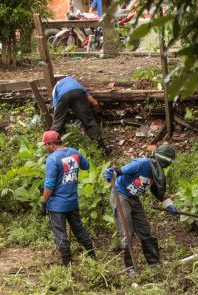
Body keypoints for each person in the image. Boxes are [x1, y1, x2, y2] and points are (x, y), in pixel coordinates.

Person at [104, 145, 178, 272]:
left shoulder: (157, 173)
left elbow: (157, 192)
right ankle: (130, 268)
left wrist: (168, 204)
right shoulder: (141, 164)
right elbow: (119, 171)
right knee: (127, 231)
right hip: (121, 195)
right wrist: (110, 174)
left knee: (144, 229)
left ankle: (154, 263)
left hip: (134, 198)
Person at [40, 130, 96, 265]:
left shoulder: (52, 159)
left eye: (45, 145)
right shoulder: (74, 152)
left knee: (59, 233)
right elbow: (86, 165)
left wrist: (43, 202)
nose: (45, 148)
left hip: (57, 204)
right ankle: (92, 256)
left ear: (51, 144)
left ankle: (67, 263)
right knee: (79, 229)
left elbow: (49, 185)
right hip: (72, 201)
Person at [51, 76, 106, 151]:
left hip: (63, 96)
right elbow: (95, 102)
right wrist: (99, 113)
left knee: (57, 125)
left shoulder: (56, 87)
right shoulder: (77, 85)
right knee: (88, 121)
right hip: (78, 93)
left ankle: (52, 147)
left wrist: (59, 122)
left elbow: (56, 110)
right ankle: (101, 147)